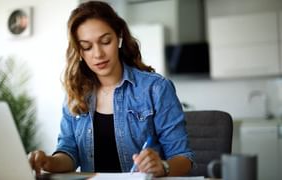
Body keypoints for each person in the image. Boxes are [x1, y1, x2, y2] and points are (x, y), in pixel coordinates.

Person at [28, 1, 194, 177]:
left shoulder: (156, 88)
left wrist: (163, 166)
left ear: (119, 38)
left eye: (105, 41)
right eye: (87, 47)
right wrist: (48, 161)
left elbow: (183, 158)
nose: (98, 54)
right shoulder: (76, 92)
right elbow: (69, 152)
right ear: (79, 51)